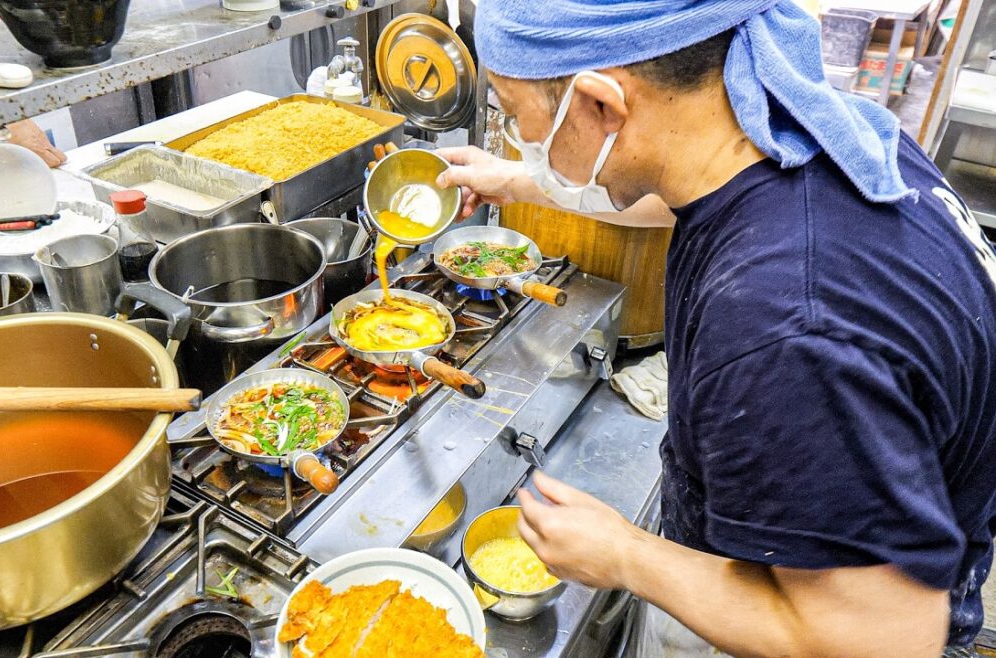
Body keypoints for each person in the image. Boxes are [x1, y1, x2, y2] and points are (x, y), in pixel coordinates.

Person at [424, 1, 996, 656]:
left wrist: (624, 555)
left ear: (601, 107)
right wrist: (524, 179)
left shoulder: (787, 324)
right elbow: (678, 191)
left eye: (508, 110)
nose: (511, 129)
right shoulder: (799, 134)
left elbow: (883, 640)